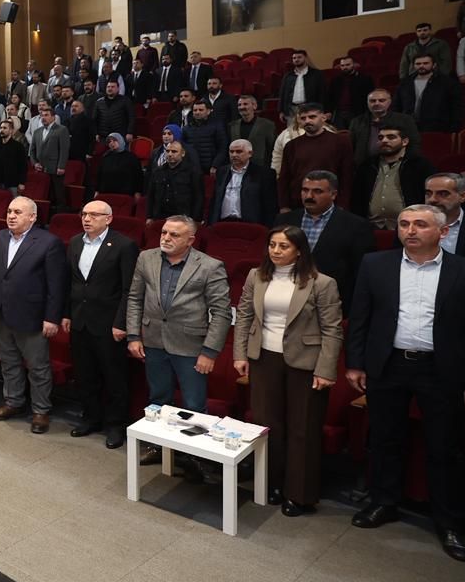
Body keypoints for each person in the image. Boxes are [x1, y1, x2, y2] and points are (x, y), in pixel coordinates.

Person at [347, 205, 465, 562]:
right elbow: (360, 318)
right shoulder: (375, 264)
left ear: (442, 232)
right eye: (404, 224)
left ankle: (448, 522)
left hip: (441, 369)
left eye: (420, 224)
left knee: (444, 447)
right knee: (385, 439)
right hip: (389, 364)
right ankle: (384, 502)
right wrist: (355, 364)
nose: (410, 230)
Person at [232, 226, 343, 515]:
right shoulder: (256, 276)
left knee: (302, 428)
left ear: (299, 251)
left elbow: (332, 330)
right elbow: (244, 316)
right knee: (268, 424)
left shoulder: (322, 283)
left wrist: (326, 369)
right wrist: (240, 354)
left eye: (284, 246)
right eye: (272, 245)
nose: (276, 251)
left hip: (305, 362)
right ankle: (272, 484)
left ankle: (299, 494)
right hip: (263, 358)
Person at [126, 216, 232, 478]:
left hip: (191, 347)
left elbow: (221, 313)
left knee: (194, 405)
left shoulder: (210, 266)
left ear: (190, 240)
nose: (166, 238)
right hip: (153, 341)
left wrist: (209, 352)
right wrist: (133, 335)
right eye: (164, 232)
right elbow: (135, 298)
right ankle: (159, 448)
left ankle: (195, 458)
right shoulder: (146, 258)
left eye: (174, 235)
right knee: (158, 399)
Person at [0, 198, 67, 434]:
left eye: (18, 212)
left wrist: (52, 317)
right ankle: (13, 401)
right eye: (9, 211)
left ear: (32, 217)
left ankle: (41, 410)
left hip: (33, 316)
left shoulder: (49, 242)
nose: (11, 215)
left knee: (38, 366)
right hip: (2, 312)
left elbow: (56, 284)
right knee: (8, 361)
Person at [63, 200, 139, 448]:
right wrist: (66, 314)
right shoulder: (75, 242)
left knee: (114, 377)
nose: (87, 219)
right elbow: (70, 282)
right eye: (84, 214)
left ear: (109, 219)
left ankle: (116, 425)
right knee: (85, 374)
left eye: (94, 215)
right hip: (80, 320)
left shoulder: (124, 245)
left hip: (109, 324)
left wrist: (122, 322)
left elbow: (129, 289)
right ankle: (91, 418)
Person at [274, 171, 371, 316]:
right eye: (305, 190)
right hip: (285, 296)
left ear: (333, 194)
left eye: (317, 191)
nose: (309, 196)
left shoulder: (356, 226)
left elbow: (360, 272)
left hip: (331, 302)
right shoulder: (284, 220)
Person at [353, 125, 435, 229]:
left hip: (409, 227)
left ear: (404, 142)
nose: (384, 140)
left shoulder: (420, 165)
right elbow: (357, 199)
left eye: (391, 137)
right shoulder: (367, 166)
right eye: (380, 138)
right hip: (370, 227)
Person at [277, 103, 353, 209]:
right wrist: (284, 206)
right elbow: (284, 178)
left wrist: (342, 205)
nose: (307, 121)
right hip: (298, 203)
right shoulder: (291, 145)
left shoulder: (340, 142)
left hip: (330, 202)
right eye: (303, 118)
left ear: (323, 118)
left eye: (312, 117)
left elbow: (346, 176)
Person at [208, 140, 278, 225]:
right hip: (222, 222)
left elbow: (270, 205)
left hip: (250, 224)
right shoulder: (221, 172)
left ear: (250, 153)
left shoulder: (264, 174)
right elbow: (215, 200)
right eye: (231, 152)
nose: (234, 155)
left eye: (239, 152)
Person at [348, 88, 419, 165]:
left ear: (389, 102)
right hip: (364, 165)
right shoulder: (357, 121)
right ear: (367, 103)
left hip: (396, 164)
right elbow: (351, 146)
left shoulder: (405, 120)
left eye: (381, 100)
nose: (376, 103)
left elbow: (414, 144)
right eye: (372, 101)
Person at [393, 52, 463, 132]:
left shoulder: (447, 83)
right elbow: (396, 105)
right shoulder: (405, 83)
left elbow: (456, 107)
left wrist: (454, 128)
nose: (421, 66)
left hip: (437, 127)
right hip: (409, 127)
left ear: (434, 65)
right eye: (418, 64)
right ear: (413, 65)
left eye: (425, 63)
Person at [28, 102, 70, 211]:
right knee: (44, 194)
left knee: (58, 194)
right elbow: (32, 150)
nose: (43, 118)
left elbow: (64, 149)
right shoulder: (37, 131)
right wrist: (35, 163)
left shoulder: (61, 130)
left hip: (55, 168)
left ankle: (59, 215)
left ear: (53, 117)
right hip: (41, 168)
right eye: (42, 115)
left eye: (46, 115)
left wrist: (61, 166)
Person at [146, 140, 202, 221]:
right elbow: (151, 195)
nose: (170, 154)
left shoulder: (193, 172)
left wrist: (195, 219)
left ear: (183, 153)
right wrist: (149, 216)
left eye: (174, 151)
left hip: (183, 218)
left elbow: (198, 197)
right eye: (167, 151)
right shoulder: (158, 171)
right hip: (159, 216)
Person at [89, 132, 145, 204]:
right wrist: (97, 190)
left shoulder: (131, 157)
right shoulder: (105, 157)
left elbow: (138, 176)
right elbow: (99, 175)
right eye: (109, 141)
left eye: (114, 140)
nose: (111, 143)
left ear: (120, 140)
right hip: (107, 193)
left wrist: (138, 192)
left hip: (125, 194)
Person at [230, 94, 276, 168]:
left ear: (254, 106)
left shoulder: (267, 125)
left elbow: (271, 148)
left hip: (259, 167)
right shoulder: (232, 126)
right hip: (237, 167)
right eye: (239, 105)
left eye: (245, 104)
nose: (241, 107)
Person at [326, 56, 375, 126]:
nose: (345, 67)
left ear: (354, 65)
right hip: (339, 113)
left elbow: (370, 96)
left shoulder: (365, 79)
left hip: (357, 112)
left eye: (348, 65)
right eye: (342, 65)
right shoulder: (335, 80)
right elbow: (330, 97)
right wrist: (329, 111)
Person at [278, 50, 327, 116]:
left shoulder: (316, 74)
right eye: (294, 58)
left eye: (299, 57)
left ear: (306, 58)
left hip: (310, 108)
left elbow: (322, 93)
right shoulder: (288, 76)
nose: (296, 60)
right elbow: (283, 93)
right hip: (291, 109)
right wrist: (281, 111)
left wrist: (323, 110)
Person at [182, 100, 228, 171]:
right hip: (192, 168)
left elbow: (223, 148)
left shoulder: (217, 127)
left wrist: (215, 165)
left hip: (211, 168)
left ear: (208, 111)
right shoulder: (186, 129)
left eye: (201, 110)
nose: (197, 112)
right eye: (195, 110)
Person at [0, 119, 28, 195]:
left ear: (11, 130)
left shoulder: (18, 146)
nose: (1, 130)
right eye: (1, 128)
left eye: (4, 128)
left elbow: (23, 166)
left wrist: (21, 183)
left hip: (13, 184)